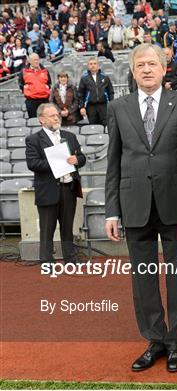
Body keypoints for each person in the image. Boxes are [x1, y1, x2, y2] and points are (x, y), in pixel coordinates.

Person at [105, 43, 177, 373]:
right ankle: (154, 339)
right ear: (132, 72)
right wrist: (112, 210)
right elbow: (114, 161)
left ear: (164, 69)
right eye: (140, 65)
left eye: (152, 64)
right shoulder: (118, 107)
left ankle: (176, 341)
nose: (146, 69)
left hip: (174, 201)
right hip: (134, 205)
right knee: (143, 277)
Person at [25, 103, 86, 266]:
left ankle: (70, 259)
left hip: (69, 189)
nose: (56, 117)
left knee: (67, 227)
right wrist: (56, 162)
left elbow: (82, 158)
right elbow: (32, 164)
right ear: (41, 120)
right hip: (48, 190)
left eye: (57, 115)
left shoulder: (70, 136)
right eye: (52, 115)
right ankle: (47, 261)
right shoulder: (33, 140)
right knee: (47, 228)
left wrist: (77, 160)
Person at [78, 57, 114, 126]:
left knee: (105, 125)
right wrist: (82, 107)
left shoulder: (105, 77)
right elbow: (81, 93)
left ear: (98, 65)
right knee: (93, 126)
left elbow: (110, 92)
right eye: (91, 64)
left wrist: (111, 104)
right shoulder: (84, 78)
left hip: (103, 105)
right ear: (88, 66)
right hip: (91, 106)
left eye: (95, 63)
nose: (93, 65)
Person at [18, 53, 51, 118]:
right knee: (33, 121)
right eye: (34, 60)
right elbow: (21, 84)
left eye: (37, 59)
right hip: (31, 101)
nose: (36, 61)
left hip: (44, 100)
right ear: (29, 61)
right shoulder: (24, 71)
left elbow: (49, 83)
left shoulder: (45, 71)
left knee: (45, 120)